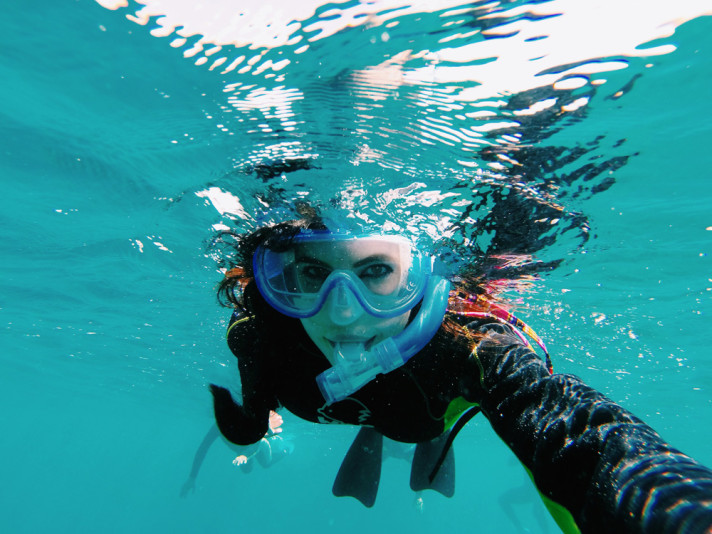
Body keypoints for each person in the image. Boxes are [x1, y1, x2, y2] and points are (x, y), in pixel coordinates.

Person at [209, 217, 712, 532]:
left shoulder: (468, 345)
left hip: (424, 411)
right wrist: (249, 426)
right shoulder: (263, 336)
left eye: (376, 272)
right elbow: (253, 406)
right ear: (281, 279)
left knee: (426, 415)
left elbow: (576, 430)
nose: (343, 314)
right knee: (399, 415)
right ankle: (383, 427)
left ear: (420, 277)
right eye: (314, 274)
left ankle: (432, 429)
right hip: (398, 412)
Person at [180, 410, 292, 497]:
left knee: (264, 463)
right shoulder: (219, 426)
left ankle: (286, 450)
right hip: (249, 445)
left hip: (256, 443)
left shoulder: (227, 423)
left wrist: (192, 477)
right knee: (253, 467)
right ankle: (282, 450)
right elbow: (202, 450)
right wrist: (192, 477)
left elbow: (202, 449)